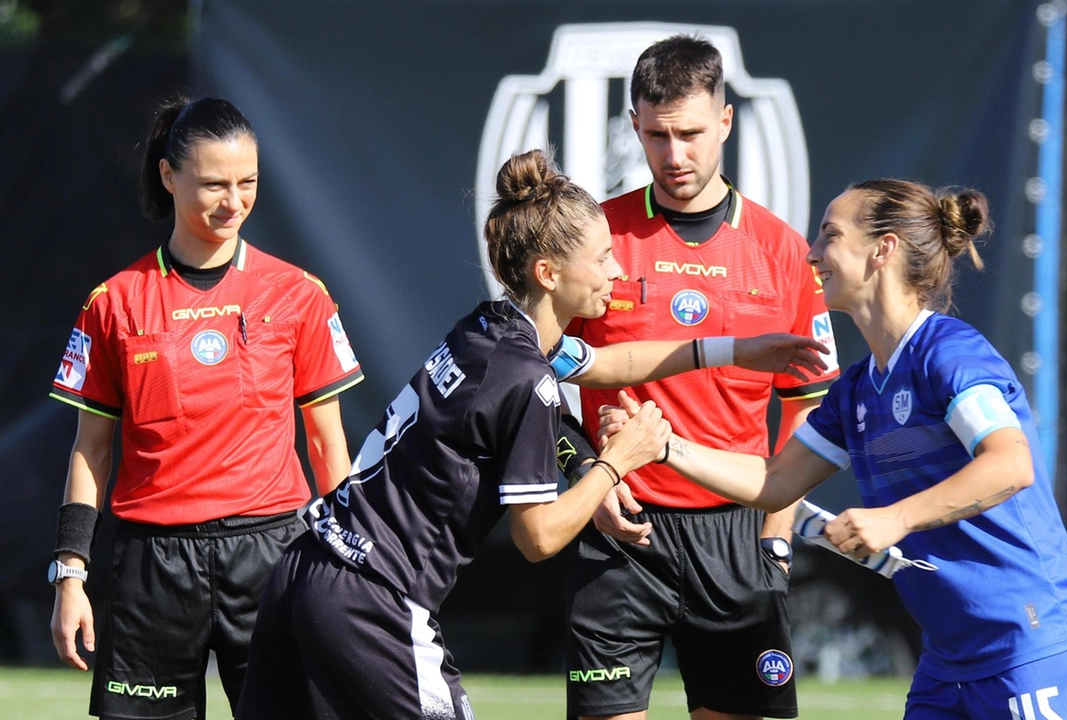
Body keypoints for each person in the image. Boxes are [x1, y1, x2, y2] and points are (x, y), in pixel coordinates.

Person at [234, 149, 828, 720]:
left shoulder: (488, 329)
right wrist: (617, 462)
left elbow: (612, 365)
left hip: (304, 568)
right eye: (601, 259)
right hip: (374, 598)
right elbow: (538, 537)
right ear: (549, 273)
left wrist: (738, 349)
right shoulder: (528, 379)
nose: (617, 271)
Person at [604, 179, 1067, 719]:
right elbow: (775, 481)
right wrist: (663, 446)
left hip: (1037, 647)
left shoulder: (950, 353)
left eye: (830, 235)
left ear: (883, 250)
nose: (812, 252)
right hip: (950, 662)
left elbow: (1011, 465)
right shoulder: (855, 390)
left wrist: (896, 518)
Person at [47, 95, 365, 720]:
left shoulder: (300, 294)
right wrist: (70, 573)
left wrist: (355, 563)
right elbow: (91, 449)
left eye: (248, 183)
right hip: (152, 566)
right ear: (169, 176)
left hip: (274, 554)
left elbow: (329, 447)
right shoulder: (113, 302)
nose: (235, 202)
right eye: (215, 184)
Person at [565, 34, 841, 720]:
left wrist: (776, 541)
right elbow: (534, 382)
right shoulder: (598, 238)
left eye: (690, 133)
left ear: (725, 121)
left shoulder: (783, 252)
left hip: (736, 537)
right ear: (634, 125)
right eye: (657, 135)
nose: (675, 154)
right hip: (621, 531)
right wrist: (584, 479)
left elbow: (808, 413)